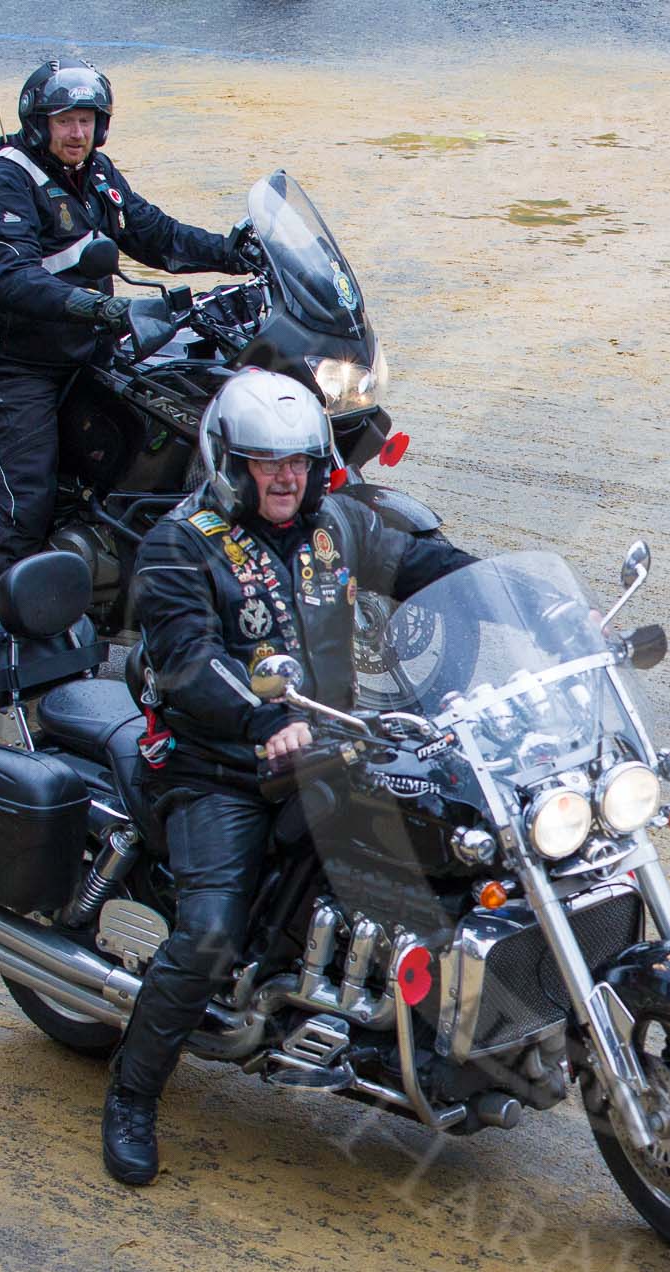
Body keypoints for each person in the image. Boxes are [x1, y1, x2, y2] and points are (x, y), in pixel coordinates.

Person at [101, 369, 476, 1186]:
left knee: (451, 852)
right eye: (267, 463)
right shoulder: (181, 543)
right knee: (207, 933)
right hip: (218, 767)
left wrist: (539, 612)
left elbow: (428, 563)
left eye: (299, 461)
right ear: (228, 461)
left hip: (333, 747)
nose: (285, 477)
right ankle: (132, 1094)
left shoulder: (335, 522)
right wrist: (266, 721)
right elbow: (188, 658)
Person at [0, 57, 261, 617]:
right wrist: (103, 307)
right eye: (65, 121)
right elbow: (12, 276)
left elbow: (154, 233)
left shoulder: (96, 174)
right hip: (15, 362)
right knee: (25, 499)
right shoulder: (6, 180)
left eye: (87, 120)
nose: (77, 133)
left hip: (84, 349)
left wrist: (234, 252)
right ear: (39, 123)